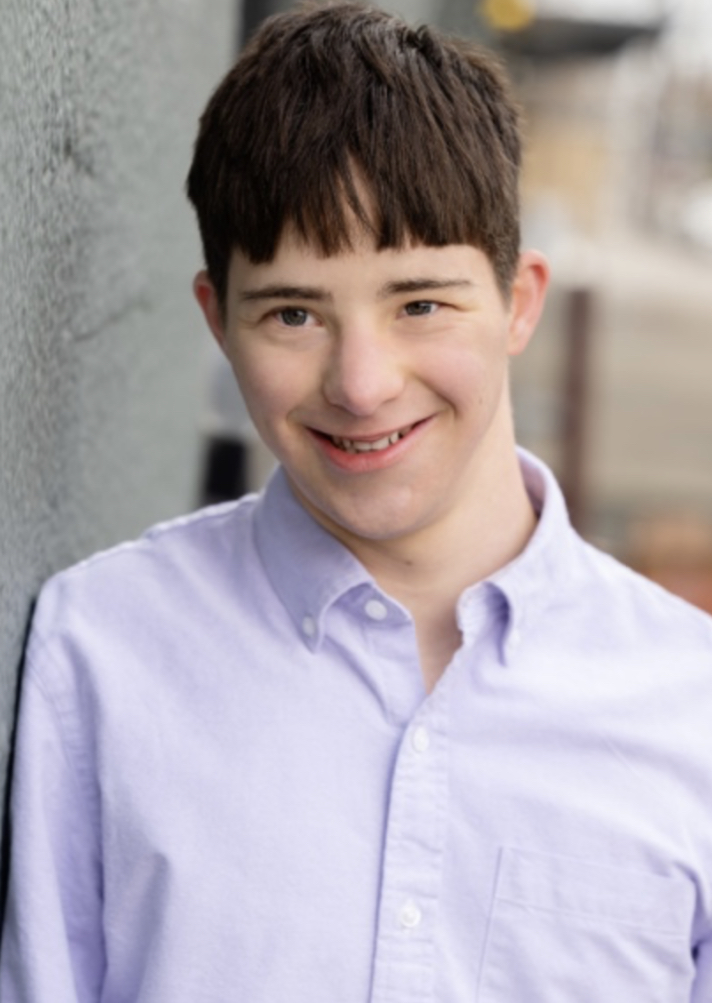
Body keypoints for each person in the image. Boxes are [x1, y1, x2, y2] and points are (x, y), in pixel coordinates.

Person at [2, 2, 711, 1000]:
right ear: (217, 322)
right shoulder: (103, 650)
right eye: (293, 312)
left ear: (518, 300)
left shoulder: (691, 707)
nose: (363, 382)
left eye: (420, 302)